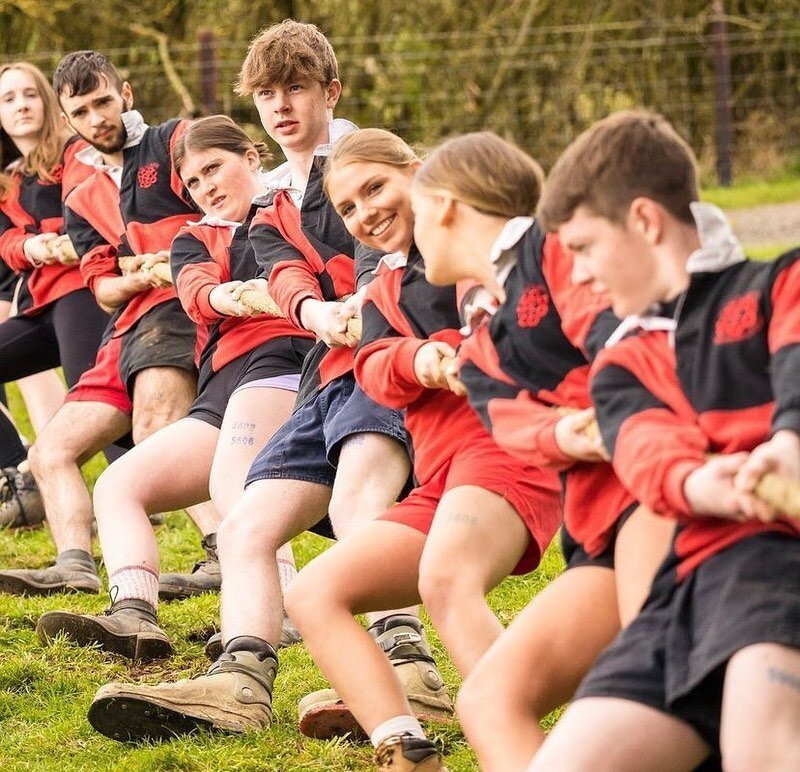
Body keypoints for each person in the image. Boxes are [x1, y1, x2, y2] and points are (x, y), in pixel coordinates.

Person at [77, 21, 451, 745]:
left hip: (391, 368)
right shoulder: (271, 202)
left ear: (330, 91)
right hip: (326, 374)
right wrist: (313, 309)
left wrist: (365, 310)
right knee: (246, 525)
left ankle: (411, 670)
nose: (281, 105)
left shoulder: (368, 161)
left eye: (297, 88)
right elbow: (282, 270)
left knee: (356, 501)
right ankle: (242, 683)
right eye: (268, 93)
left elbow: (404, 245)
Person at [278, 128, 562, 772]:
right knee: (315, 593)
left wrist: (457, 348)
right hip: (439, 484)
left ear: (418, 174)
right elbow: (374, 367)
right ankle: (404, 745)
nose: (365, 212)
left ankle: (522, 745)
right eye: (347, 208)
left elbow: (500, 316)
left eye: (375, 188)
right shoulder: (382, 288)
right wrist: (421, 357)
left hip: (505, 456)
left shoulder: (474, 254)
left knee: (445, 581)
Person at [527, 109, 800, 771]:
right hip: (680, 591)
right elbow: (648, 455)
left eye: (586, 248)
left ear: (646, 222)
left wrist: (788, 443)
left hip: (773, 569)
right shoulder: (619, 365)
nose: (582, 276)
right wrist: (711, 485)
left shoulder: (776, 286)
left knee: (761, 746)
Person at [404, 130, 675, 770]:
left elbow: (622, 336)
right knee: (488, 699)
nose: (412, 236)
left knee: (665, 679)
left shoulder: (556, 246)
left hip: (656, 493)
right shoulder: (480, 349)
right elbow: (512, 425)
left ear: (444, 205)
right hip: (596, 538)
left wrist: (610, 414)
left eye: (416, 214)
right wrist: (565, 435)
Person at [36, 114, 315, 661]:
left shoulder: (293, 211)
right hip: (221, 386)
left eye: (215, 168)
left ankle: (277, 609)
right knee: (118, 485)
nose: (206, 186)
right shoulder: (194, 238)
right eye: (192, 182)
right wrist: (227, 298)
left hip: (281, 365)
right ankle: (134, 615)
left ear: (252, 159)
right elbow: (195, 292)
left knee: (234, 482)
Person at [0, 51, 219, 596]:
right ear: (68, 117)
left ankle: (222, 551)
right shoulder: (79, 190)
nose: (98, 117)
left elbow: (228, 205)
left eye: (104, 101)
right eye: (83, 109)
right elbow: (99, 285)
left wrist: (178, 260)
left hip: (182, 310)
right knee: (48, 453)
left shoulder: (173, 141)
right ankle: (75, 565)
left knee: (155, 434)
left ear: (126, 94)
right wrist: (131, 276)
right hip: (126, 321)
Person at [0, 61, 109, 531]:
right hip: (39, 304)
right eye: (8, 99)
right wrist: (27, 246)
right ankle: (17, 473)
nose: (21, 105)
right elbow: (6, 243)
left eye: (29, 94)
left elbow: (83, 219)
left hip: (80, 293)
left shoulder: (75, 154)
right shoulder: (8, 179)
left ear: (48, 102)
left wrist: (42, 241)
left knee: (103, 408)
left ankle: (179, 506)